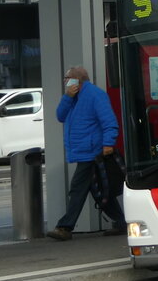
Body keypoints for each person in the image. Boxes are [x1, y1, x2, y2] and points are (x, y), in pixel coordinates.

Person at [47, 65, 125, 240]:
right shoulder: (72, 97)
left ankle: (65, 227)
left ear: (78, 80)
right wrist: (67, 97)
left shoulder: (95, 95)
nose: (65, 82)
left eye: (68, 79)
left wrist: (108, 143)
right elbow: (60, 116)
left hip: (93, 153)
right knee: (99, 191)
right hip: (86, 151)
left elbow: (109, 121)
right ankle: (120, 222)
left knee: (78, 188)